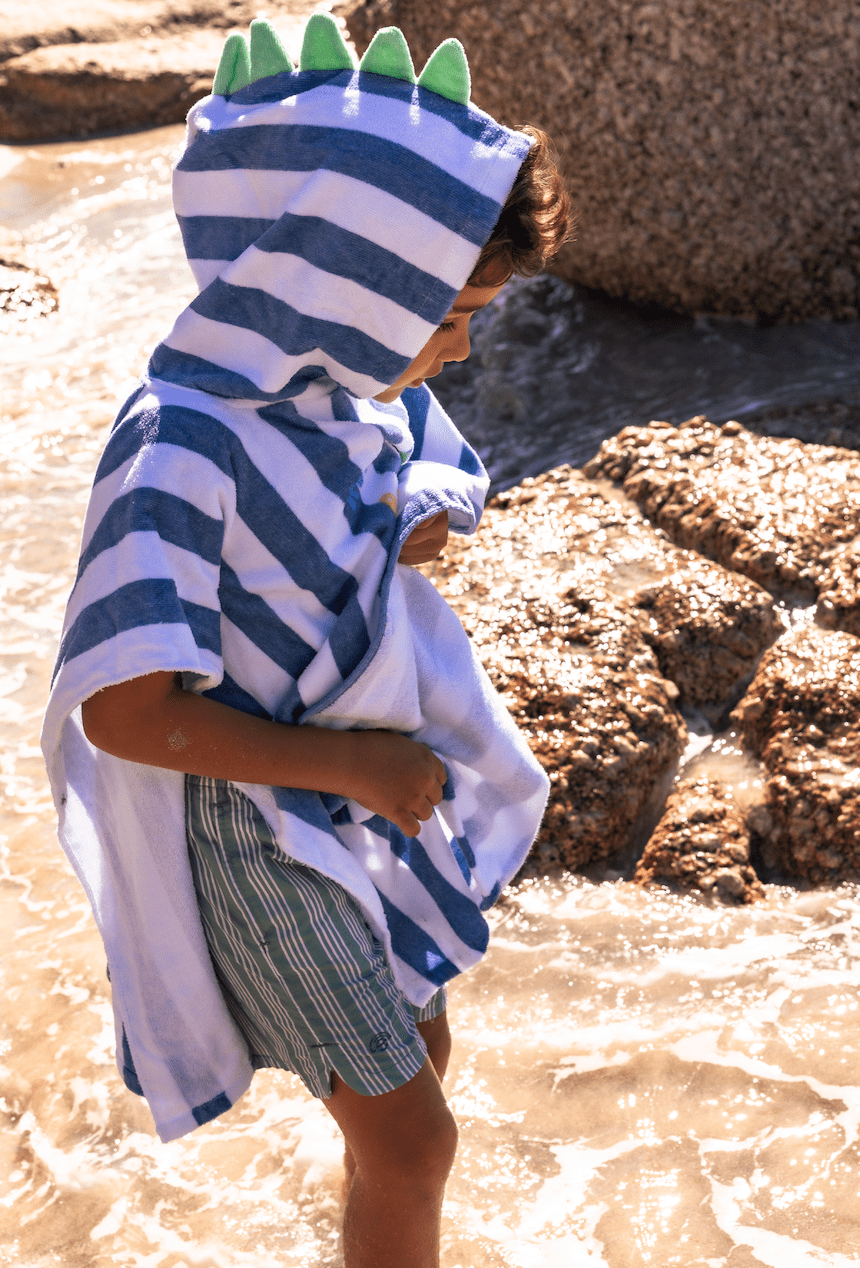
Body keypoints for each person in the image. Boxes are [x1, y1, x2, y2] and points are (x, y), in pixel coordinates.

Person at [41, 15, 571, 1267]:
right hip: (259, 826)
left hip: (351, 795)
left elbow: (408, 475)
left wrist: (408, 523)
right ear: (348, 287)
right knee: (415, 1139)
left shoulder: (335, 390)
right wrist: (352, 764)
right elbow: (123, 708)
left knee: (419, 1049)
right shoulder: (181, 443)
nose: (460, 347)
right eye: (450, 315)